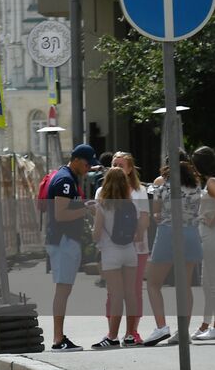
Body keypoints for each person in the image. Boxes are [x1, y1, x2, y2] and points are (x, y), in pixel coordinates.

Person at [143, 160, 205, 346]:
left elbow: (156, 212)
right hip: (192, 233)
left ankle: (161, 326)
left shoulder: (162, 184)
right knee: (184, 285)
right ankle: (183, 330)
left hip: (168, 232)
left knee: (153, 283)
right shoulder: (195, 186)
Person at [46, 143, 97, 351]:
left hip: (64, 241)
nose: (88, 168)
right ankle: (58, 339)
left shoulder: (68, 176)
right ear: (75, 159)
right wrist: (85, 210)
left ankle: (59, 337)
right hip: (62, 241)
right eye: (86, 164)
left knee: (63, 290)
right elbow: (61, 214)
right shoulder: (65, 180)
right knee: (62, 290)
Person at [90, 167, 146, 348]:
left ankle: (112, 337)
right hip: (130, 252)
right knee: (131, 294)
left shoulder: (103, 205)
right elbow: (138, 235)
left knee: (116, 295)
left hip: (110, 252)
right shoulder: (132, 205)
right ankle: (130, 334)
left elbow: (96, 234)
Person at [104, 151, 151, 344]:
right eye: (113, 164)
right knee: (113, 292)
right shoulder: (103, 190)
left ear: (130, 169)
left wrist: (135, 235)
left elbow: (145, 219)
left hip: (136, 249)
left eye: (120, 165)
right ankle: (111, 332)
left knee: (134, 291)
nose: (116, 168)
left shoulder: (139, 191)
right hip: (112, 249)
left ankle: (132, 332)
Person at [191, 146, 215, 341]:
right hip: (213, 235)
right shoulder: (214, 181)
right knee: (207, 283)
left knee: (213, 283)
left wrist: (212, 220)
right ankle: (206, 325)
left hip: (213, 236)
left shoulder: (212, 182)